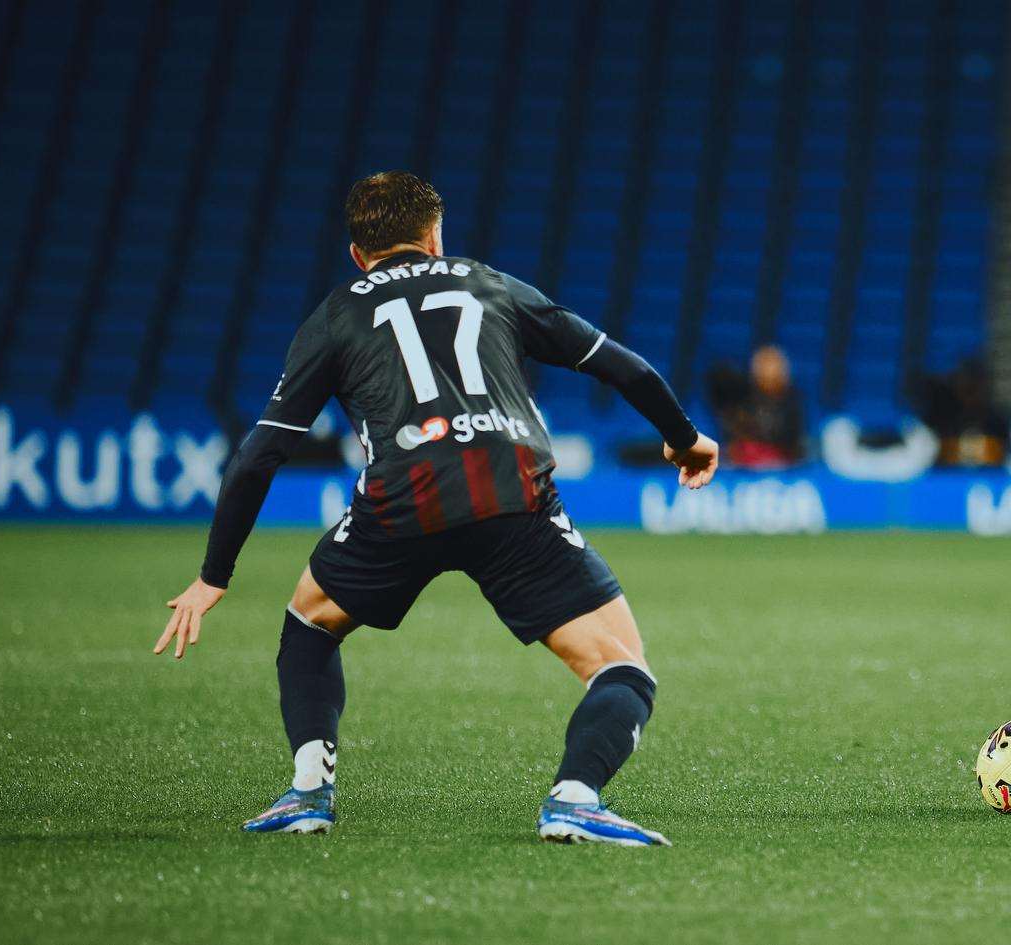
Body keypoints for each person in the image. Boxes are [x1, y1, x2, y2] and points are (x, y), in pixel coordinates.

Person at [153, 171, 719, 846]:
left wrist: (213, 576)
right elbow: (624, 367)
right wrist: (685, 439)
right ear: (434, 237)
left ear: (358, 254)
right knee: (622, 667)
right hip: (511, 495)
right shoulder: (490, 284)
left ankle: (308, 791)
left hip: (402, 501)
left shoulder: (335, 314)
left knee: (309, 622)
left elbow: (257, 456)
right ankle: (575, 797)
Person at [707, 344, 805, 468]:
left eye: (773, 366)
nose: (769, 371)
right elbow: (717, 376)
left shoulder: (792, 402)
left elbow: (791, 441)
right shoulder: (743, 396)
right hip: (744, 463)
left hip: (780, 463)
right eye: (763, 365)